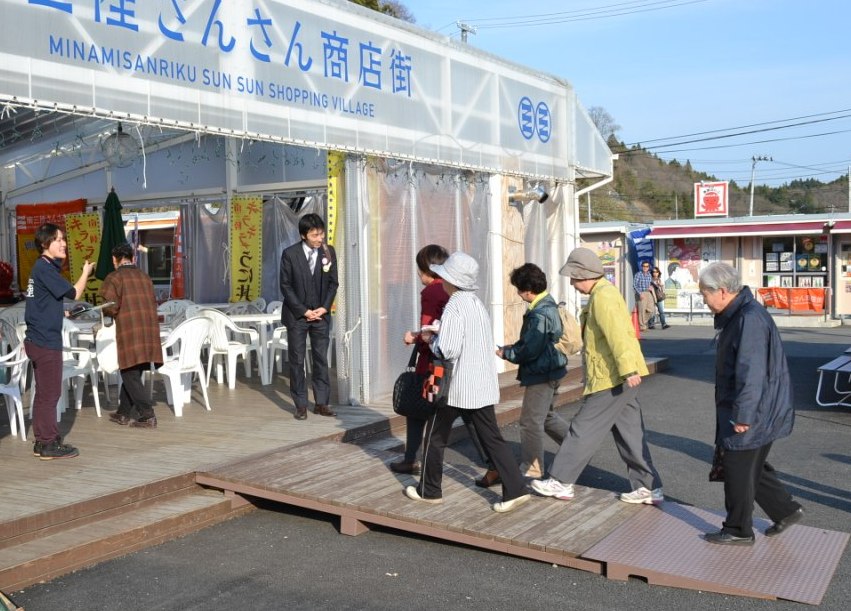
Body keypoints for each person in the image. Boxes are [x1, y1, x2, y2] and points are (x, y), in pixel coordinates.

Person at [531, 247, 663, 505]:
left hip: (612, 376)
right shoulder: (604, 294)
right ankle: (648, 487)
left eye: (574, 277)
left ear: (585, 275)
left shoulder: (603, 297)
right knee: (630, 433)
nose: (572, 282)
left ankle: (561, 480)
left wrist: (628, 369)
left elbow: (618, 334)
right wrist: (629, 370)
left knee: (583, 428)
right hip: (620, 376)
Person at [404, 251, 530, 513]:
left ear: (451, 280)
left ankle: (429, 490)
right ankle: (516, 488)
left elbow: (448, 349)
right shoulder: (475, 303)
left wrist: (430, 339)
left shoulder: (454, 305)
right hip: (481, 384)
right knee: (493, 438)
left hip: (457, 386)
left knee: (434, 438)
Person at [698, 262, 803, 545]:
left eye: (704, 294)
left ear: (721, 291)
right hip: (760, 407)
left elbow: (751, 372)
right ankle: (786, 509)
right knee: (750, 465)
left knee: (737, 467)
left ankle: (737, 530)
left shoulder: (748, 319)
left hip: (754, 409)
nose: (703, 300)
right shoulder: (741, 314)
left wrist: (743, 415)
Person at [24, 223, 95, 460]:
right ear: (45, 244)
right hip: (45, 341)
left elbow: (42, 304)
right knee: (50, 394)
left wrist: (63, 314)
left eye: (63, 238)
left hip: (38, 338)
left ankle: (41, 441)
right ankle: (47, 443)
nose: (63, 243)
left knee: (44, 393)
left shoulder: (41, 269)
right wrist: (86, 272)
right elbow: (74, 294)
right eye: (57, 239)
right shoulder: (45, 268)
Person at [496, 263, 569, 479]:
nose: (518, 294)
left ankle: (532, 468)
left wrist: (507, 353)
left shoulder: (539, 313)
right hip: (553, 369)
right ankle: (576, 450)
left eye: (519, 289)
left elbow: (530, 348)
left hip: (541, 373)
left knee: (530, 423)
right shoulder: (549, 304)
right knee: (546, 417)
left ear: (528, 289)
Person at [390, 244, 450, 475]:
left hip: (431, 362)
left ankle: (414, 460)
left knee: (421, 408)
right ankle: (410, 458)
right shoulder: (449, 289)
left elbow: (428, 330)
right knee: (422, 411)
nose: (417, 274)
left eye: (419, 269)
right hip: (448, 360)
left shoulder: (431, 292)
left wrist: (412, 337)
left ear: (426, 269)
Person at [279, 213, 339, 420]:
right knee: (297, 360)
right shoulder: (290, 254)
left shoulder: (328, 252)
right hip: (297, 316)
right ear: (304, 235)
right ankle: (301, 404)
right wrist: (303, 311)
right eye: (315, 235)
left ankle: (322, 402)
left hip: (321, 315)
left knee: (321, 359)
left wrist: (324, 307)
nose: (320, 239)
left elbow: (333, 283)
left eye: (321, 234)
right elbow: (285, 286)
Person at [100, 242, 164, 428]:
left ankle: (147, 415)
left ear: (115, 260)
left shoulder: (114, 277)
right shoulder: (145, 276)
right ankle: (123, 413)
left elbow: (110, 307)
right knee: (134, 371)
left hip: (129, 330)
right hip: (149, 330)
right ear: (133, 258)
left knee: (129, 373)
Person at [632, 260, 656, 331]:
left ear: (649, 267)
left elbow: (650, 283)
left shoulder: (649, 274)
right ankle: (642, 326)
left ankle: (642, 322)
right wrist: (640, 293)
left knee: (651, 310)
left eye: (647, 266)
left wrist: (651, 287)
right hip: (641, 293)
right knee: (642, 310)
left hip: (648, 293)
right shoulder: (638, 274)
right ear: (642, 267)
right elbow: (634, 285)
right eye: (644, 266)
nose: (645, 267)